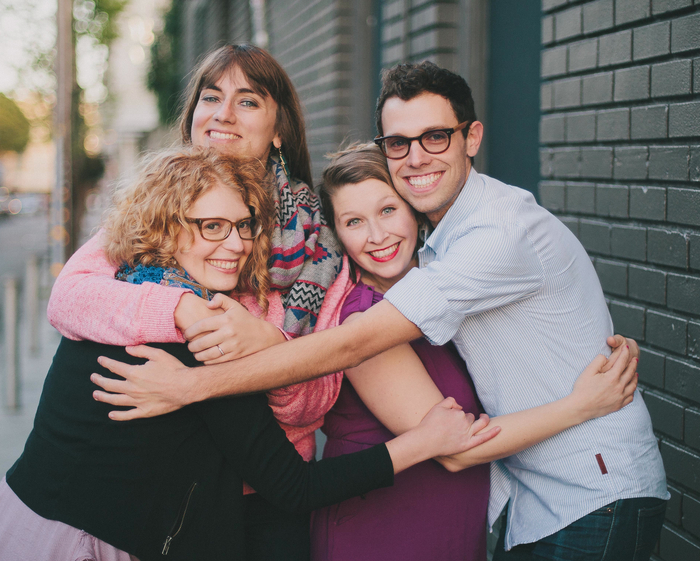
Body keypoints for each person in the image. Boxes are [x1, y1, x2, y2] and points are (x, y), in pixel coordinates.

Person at [93, 62, 669, 561]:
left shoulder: (489, 237)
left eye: (435, 137)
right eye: (398, 143)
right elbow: (357, 347)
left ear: (472, 137)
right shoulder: (418, 261)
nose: (416, 158)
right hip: (505, 504)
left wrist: (193, 386)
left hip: (588, 485)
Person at [0, 147, 496, 561]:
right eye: (212, 226)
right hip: (83, 545)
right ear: (166, 228)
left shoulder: (126, 288)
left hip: (29, 520)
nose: (236, 244)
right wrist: (422, 442)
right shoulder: (201, 335)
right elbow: (294, 487)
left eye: (243, 225)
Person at [45, 43, 350, 556]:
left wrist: (266, 345)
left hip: (267, 499)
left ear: (279, 129)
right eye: (211, 97)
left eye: (248, 101)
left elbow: (315, 402)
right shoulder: (154, 208)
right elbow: (70, 299)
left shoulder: (320, 246)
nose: (224, 113)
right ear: (192, 118)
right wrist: (182, 310)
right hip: (165, 491)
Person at [308, 144, 640, 561]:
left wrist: (600, 347)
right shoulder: (364, 322)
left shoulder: (442, 291)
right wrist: (582, 405)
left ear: (413, 209)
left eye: (388, 210)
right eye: (354, 221)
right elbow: (457, 449)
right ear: (337, 234)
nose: (377, 236)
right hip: (385, 534)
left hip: (449, 528)